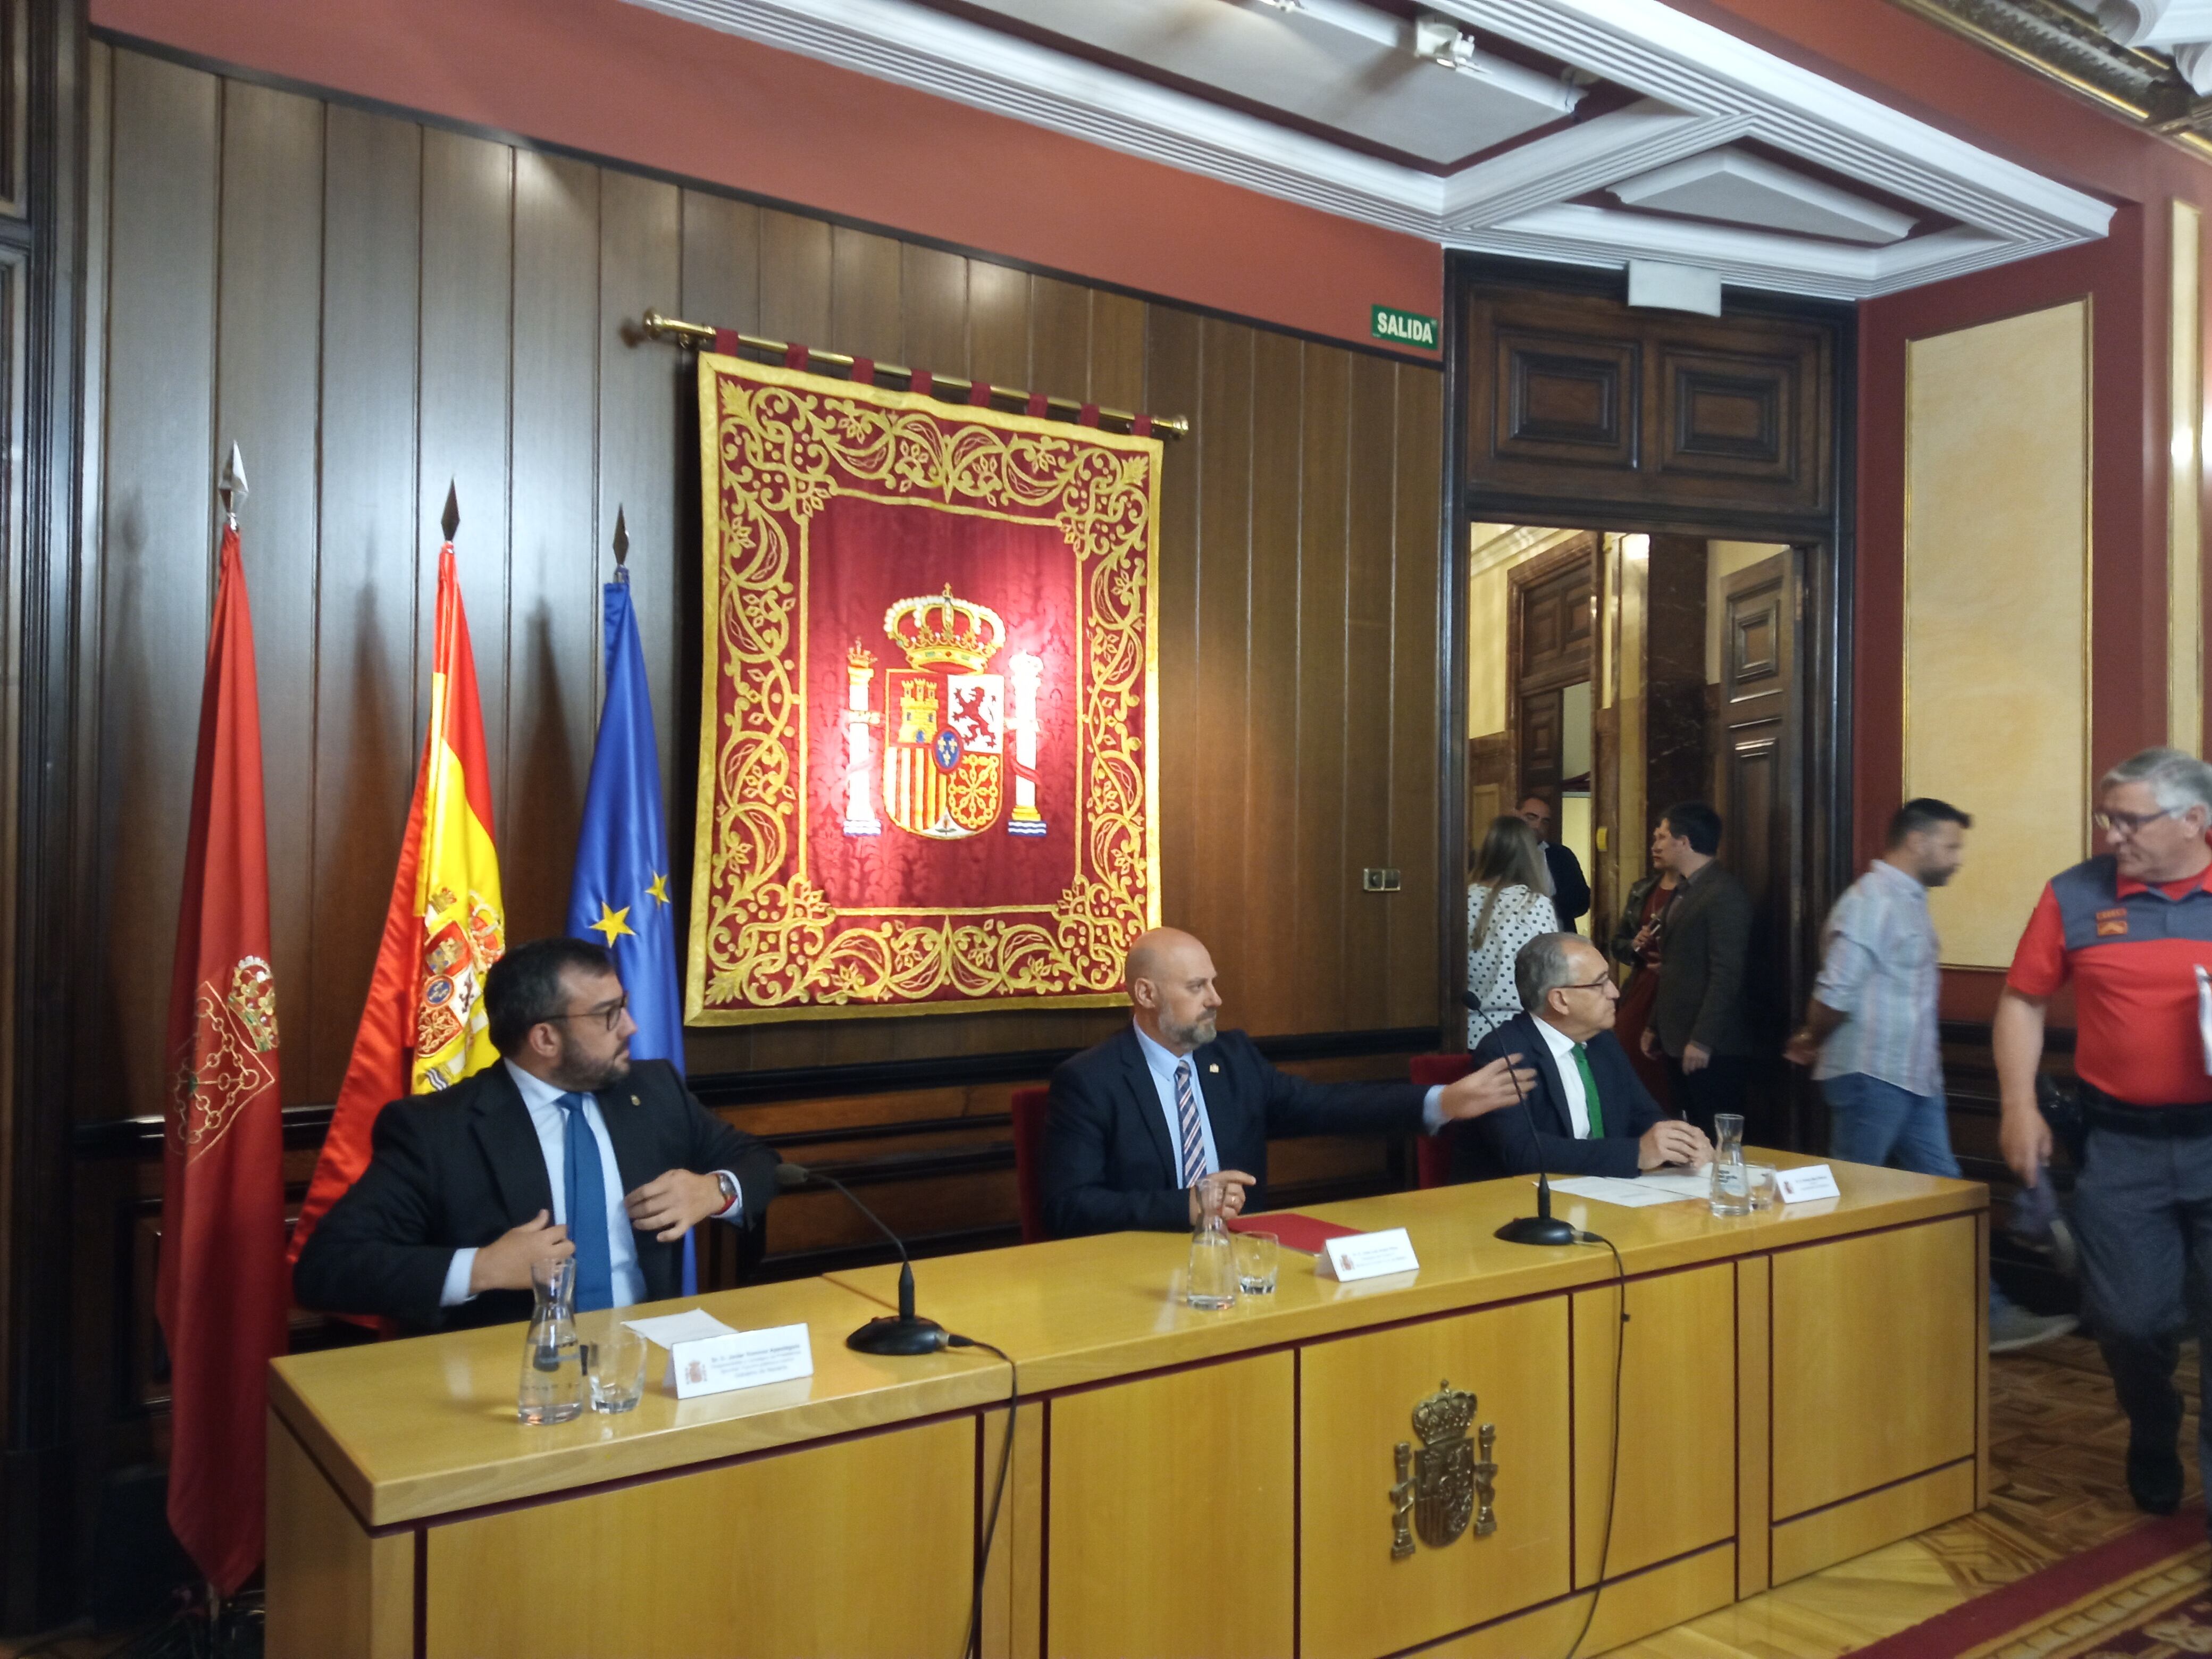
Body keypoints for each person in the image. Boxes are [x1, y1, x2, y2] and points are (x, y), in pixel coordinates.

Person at [294, 937, 778, 1331]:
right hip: (507, 1379)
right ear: (545, 1038)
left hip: (644, 1356)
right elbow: (328, 1270)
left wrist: (713, 1190)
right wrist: (482, 1268)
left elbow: (759, 1161)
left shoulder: (652, 1091)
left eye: (624, 1007)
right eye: (609, 1014)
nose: (630, 1026)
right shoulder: (439, 1129)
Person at [1997, 747, 2212, 1518]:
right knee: (2127, 1322)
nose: (2110, 833)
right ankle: (2153, 1426)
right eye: (2106, 816)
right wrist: (2018, 1103)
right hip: (2121, 1149)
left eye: (2128, 819)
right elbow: (2022, 1001)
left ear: (2194, 820)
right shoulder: (2077, 894)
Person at [1788, 798, 2074, 1354]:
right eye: (1950, 845)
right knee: (1849, 1201)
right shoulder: (1871, 902)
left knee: (1947, 1199)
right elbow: (1836, 990)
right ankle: (1822, 1320)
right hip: (1871, 1077)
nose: (1956, 858)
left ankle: (1981, 1316)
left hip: (1911, 1079)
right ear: (1916, 842)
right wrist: (1810, 1037)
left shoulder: (1906, 902)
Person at [1042, 927, 1537, 1237]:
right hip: (1135, 1264)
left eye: (1213, 982)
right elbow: (1069, 1206)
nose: (1215, 998)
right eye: (1197, 987)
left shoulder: (1232, 1057)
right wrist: (1184, 1206)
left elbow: (1326, 1105)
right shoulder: (1091, 1080)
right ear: (1146, 994)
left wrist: (1442, 1100)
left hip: (1242, 1256)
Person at [1453, 934, 1711, 1183]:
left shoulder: (1604, 1042)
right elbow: (1522, 1151)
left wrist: (1681, 1143)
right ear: (1560, 1000)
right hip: (1520, 1206)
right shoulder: (1505, 1051)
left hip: (1606, 1194)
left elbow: (1643, 1114)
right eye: (1600, 984)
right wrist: (1636, 1154)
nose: (1615, 992)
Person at [1639, 801, 1756, 1135]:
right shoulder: (1685, 889)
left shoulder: (1724, 894)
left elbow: (1726, 974)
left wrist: (1703, 1039)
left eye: (1663, 837)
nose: (1657, 845)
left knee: (1714, 1134)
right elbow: (1674, 967)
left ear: (1684, 842)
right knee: (1688, 1130)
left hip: (1712, 1048)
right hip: (1678, 1037)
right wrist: (1654, 1025)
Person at [1467, 815, 1560, 1049]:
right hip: (1520, 1031)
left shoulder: (1462, 898)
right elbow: (1549, 971)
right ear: (1529, 856)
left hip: (1467, 1031)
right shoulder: (1535, 903)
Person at [1609, 843, 1681, 1110]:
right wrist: (1633, 945)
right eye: (1654, 838)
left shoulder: (1695, 891)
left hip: (1672, 989)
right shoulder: (1643, 889)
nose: (1656, 847)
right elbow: (1618, 944)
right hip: (1641, 986)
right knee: (1629, 1056)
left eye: (1664, 838)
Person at [1519, 793, 1591, 931]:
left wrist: (1547, 904)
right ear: (1516, 816)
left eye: (1545, 821)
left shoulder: (1561, 855)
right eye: (1531, 817)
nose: (1537, 825)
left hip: (1556, 938)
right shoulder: (1502, 854)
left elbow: (1581, 901)